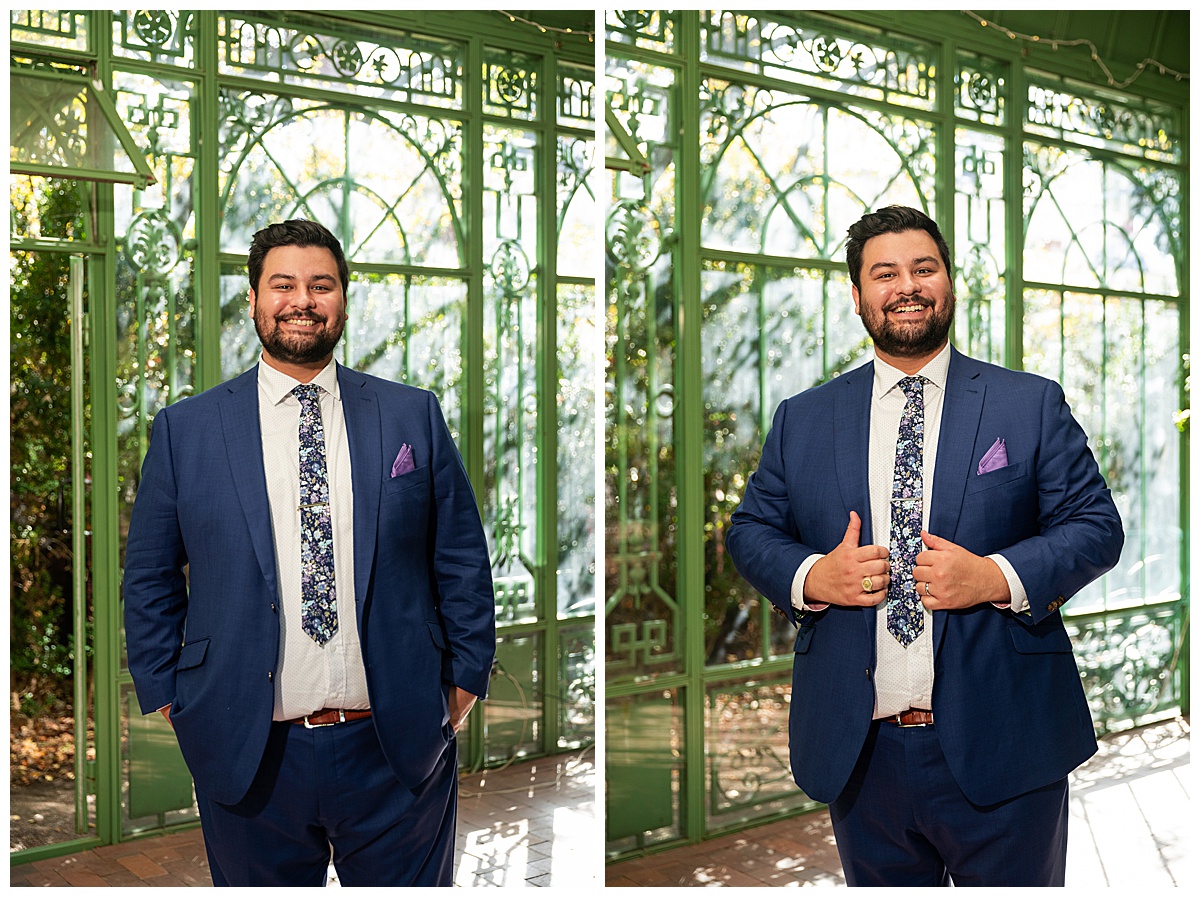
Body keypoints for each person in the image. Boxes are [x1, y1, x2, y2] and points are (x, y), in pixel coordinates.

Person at [725, 205, 1123, 886]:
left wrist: (995, 576)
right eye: (885, 273)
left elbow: (1096, 526)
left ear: (949, 283)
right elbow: (748, 531)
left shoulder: (1028, 404)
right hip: (861, 753)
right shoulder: (803, 419)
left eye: (923, 268)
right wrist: (815, 575)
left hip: (1006, 748)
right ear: (858, 295)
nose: (906, 285)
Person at [124, 219, 496, 886]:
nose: (303, 299)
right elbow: (149, 578)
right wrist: (175, 700)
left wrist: (463, 681)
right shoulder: (187, 430)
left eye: (321, 284)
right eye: (284, 284)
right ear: (254, 299)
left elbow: (461, 555)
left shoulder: (412, 415)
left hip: (396, 747)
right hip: (247, 752)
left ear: (344, 299)